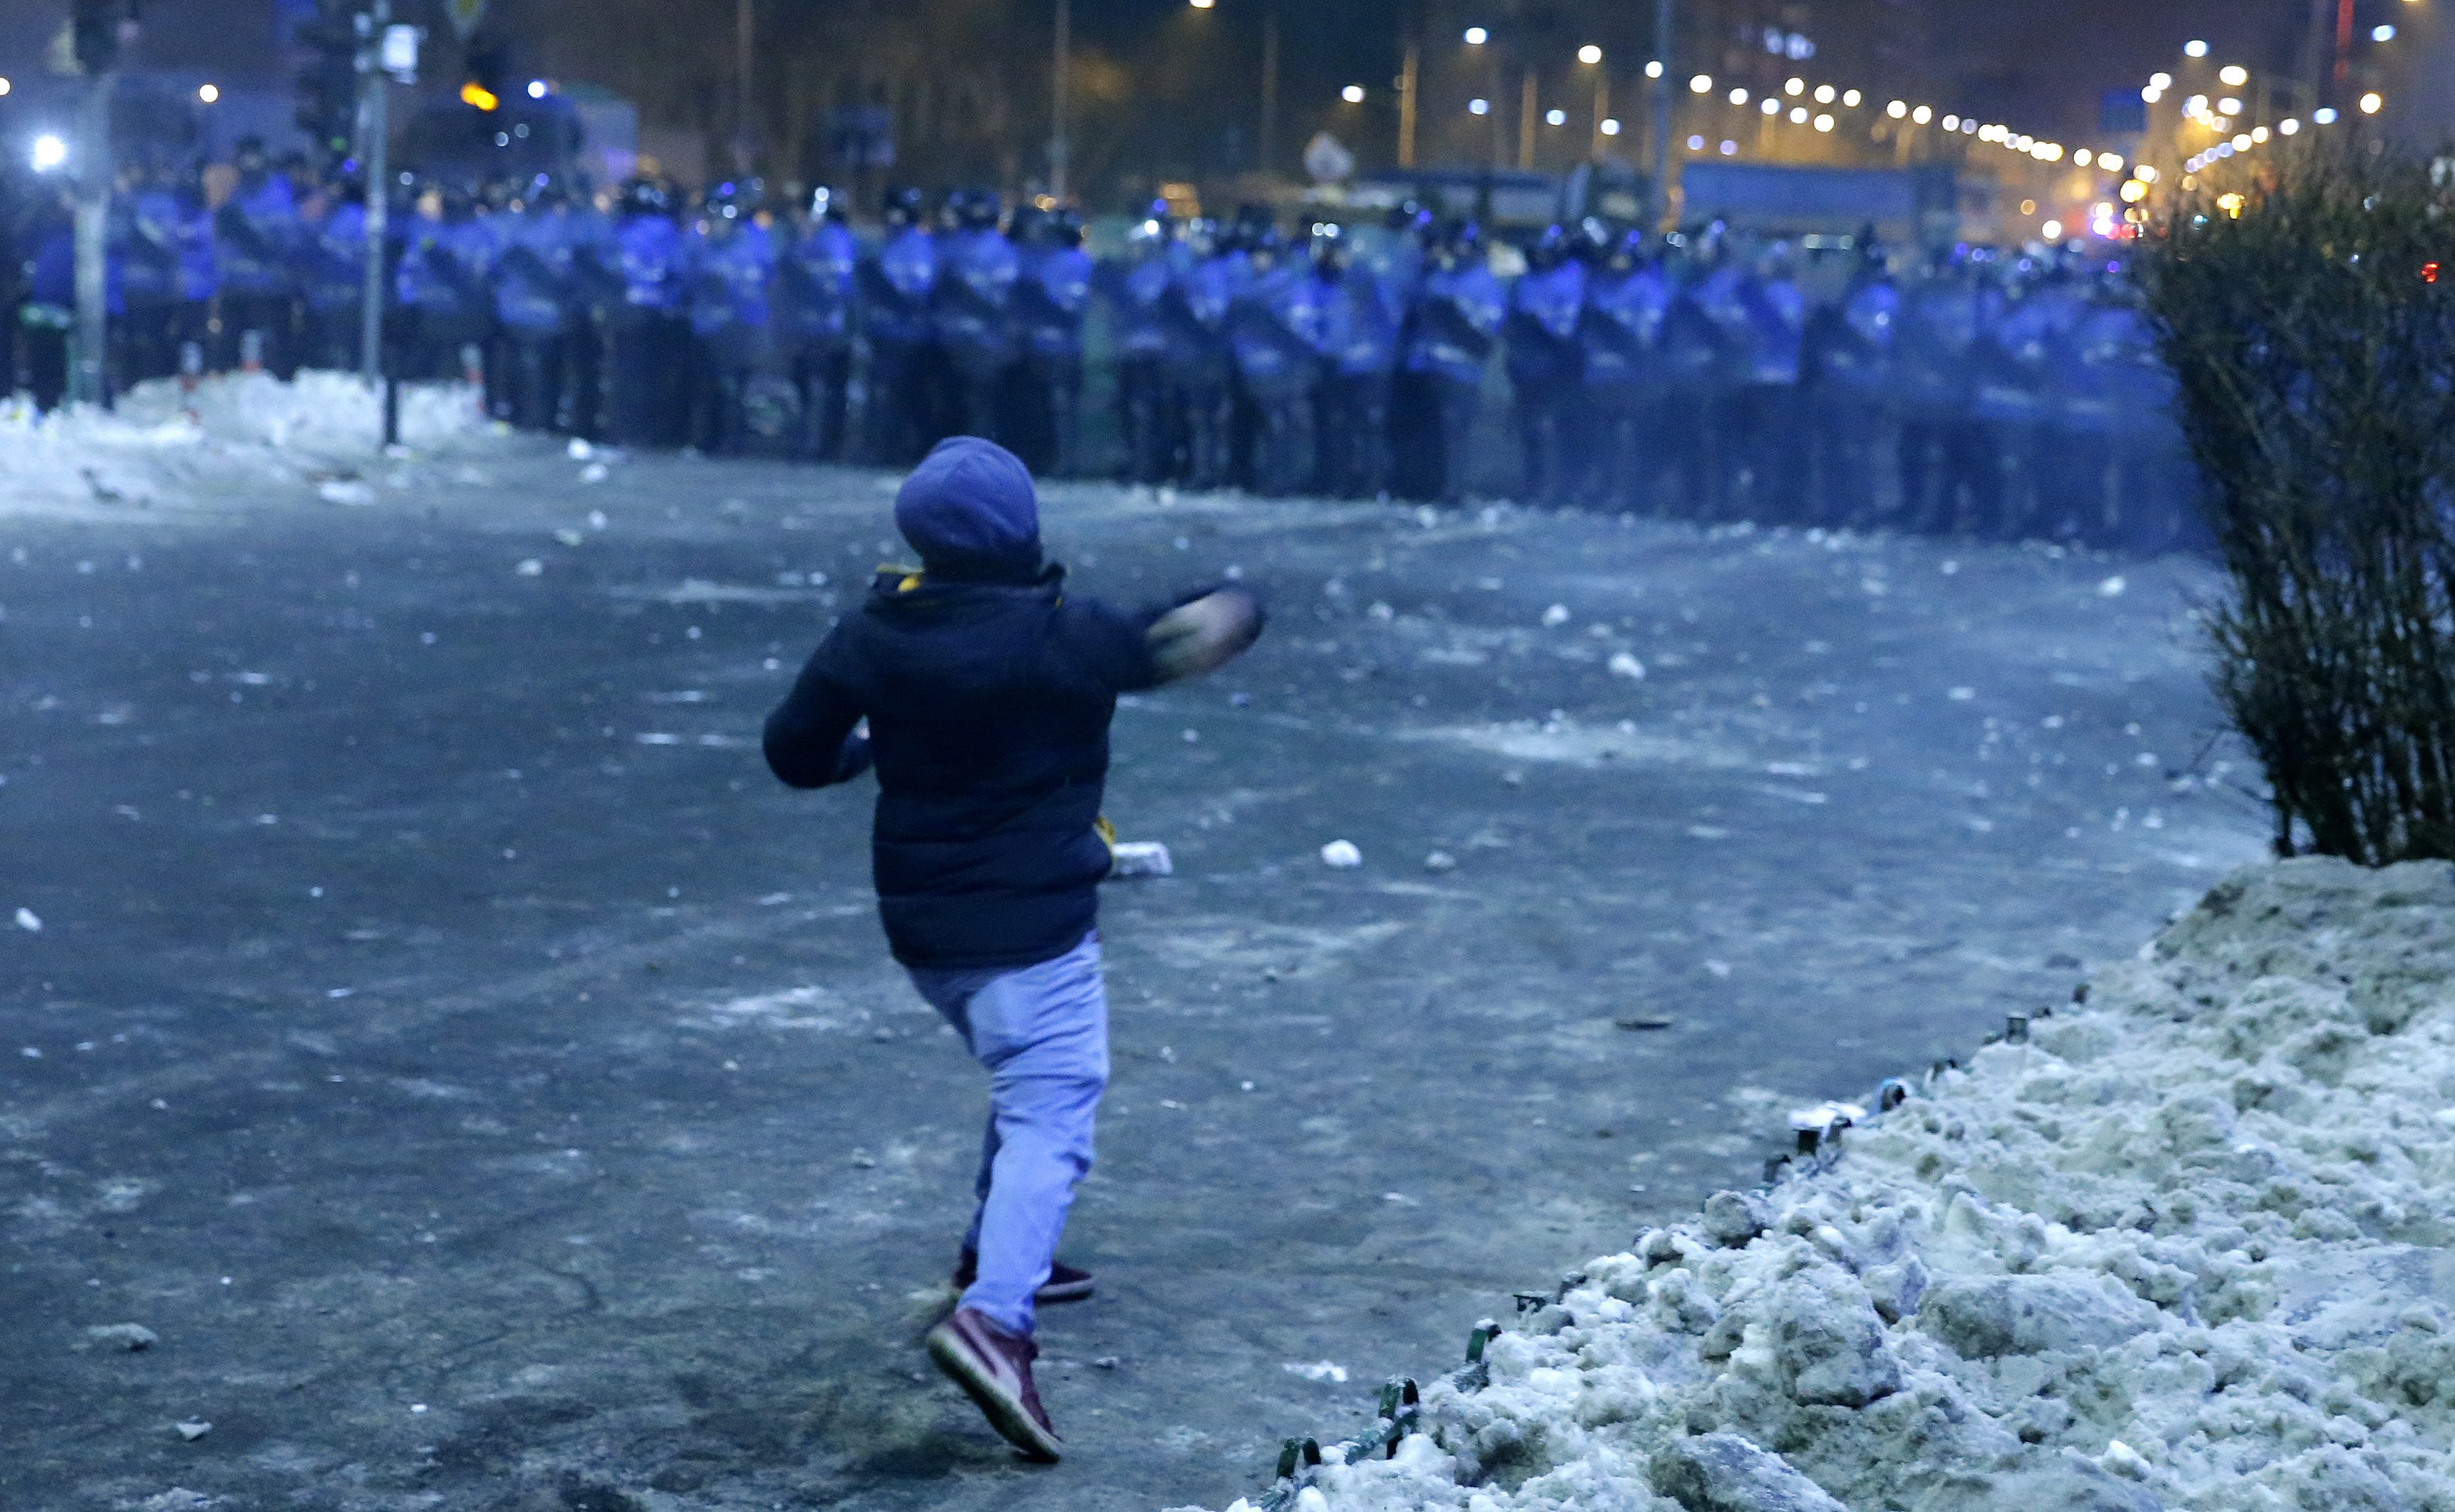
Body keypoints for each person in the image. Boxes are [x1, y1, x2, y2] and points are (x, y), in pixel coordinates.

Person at [761, 437, 1263, 1460]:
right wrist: (1236, 597)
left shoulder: (874, 631)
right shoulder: (1068, 638)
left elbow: (792, 751)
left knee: (1024, 1083)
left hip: (927, 935)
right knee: (1052, 1107)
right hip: (1031, 937)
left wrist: (868, 750)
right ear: (1024, 531)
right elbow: (1193, 628)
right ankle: (995, 1320)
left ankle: (992, 1256)